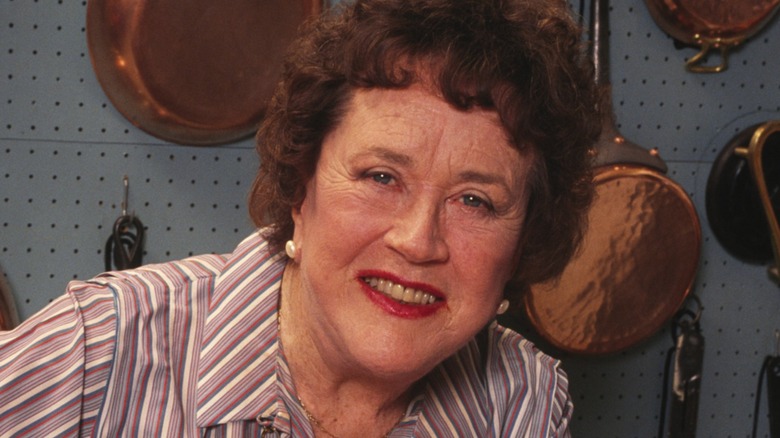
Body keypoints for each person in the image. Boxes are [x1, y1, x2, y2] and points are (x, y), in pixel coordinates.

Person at [0, 0, 600, 436]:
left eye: (475, 201)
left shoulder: (523, 400)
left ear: (524, 239)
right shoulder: (100, 353)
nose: (418, 241)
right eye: (381, 177)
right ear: (299, 188)